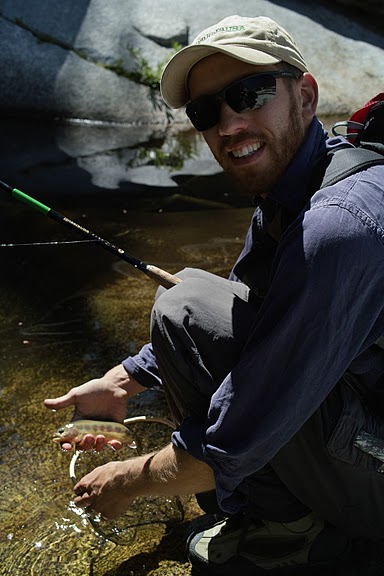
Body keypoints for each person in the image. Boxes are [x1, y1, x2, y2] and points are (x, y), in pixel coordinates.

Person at [44, 15, 384, 574]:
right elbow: (248, 305)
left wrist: (127, 482)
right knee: (190, 301)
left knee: (189, 315)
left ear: (305, 94)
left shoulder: (338, 224)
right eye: (207, 112)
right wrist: (123, 379)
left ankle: (294, 537)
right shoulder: (303, 177)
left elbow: (238, 439)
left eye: (249, 94)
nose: (229, 125)